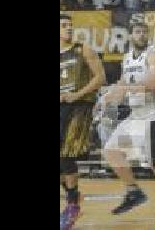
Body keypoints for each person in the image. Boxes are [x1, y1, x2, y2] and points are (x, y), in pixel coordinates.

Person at [98, 22, 155, 224]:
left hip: (153, 115)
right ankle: (133, 192)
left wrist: (125, 89)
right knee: (111, 151)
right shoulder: (127, 57)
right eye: (137, 32)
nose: (141, 35)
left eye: (144, 32)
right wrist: (108, 95)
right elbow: (123, 82)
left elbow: (153, 84)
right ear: (130, 35)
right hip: (135, 115)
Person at [60, 14, 106, 230]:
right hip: (62, 105)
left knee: (67, 151)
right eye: (64, 26)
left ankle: (71, 205)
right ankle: (74, 196)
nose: (69, 28)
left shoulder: (83, 49)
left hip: (80, 106)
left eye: (70, 25)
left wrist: (76, 95)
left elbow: (100, 78)